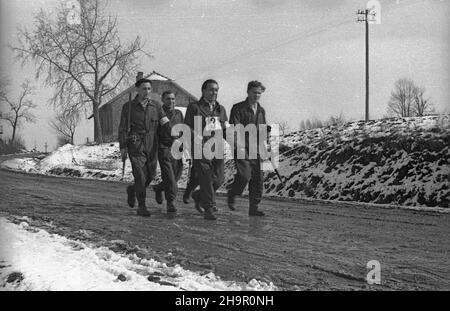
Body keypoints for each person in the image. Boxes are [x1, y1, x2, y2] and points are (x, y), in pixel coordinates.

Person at [118, 78, 169, 217]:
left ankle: (133, 189)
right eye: (143, 89)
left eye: (148, 89)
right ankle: (142, 206)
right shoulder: (128, 107)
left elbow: (165, 123)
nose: (146, 91)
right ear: (137, 90)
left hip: (152, 143)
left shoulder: (157, 106)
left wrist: (173, 135)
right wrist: (123, 146)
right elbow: (122, 128)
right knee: (140, 175)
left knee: (151, 175)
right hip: (135, 144)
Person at [184, 79, 228, 220]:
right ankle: (209, 207)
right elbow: (187, 127)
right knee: (207, 178)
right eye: (211, 90)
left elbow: (225, 128)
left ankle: (199, 195)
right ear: (203, 91)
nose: (214, 93)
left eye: (216, 90)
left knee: (219, 179)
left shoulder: (220, 109)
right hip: (200, 148)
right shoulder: (194, 107)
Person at [227, 80, 269, 216]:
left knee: (258, 178)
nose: (257, 95)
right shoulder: (238, 108)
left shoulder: (261, 110)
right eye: (254, 92)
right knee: (245, 175)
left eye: (259, 93)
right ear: (248, 92)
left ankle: (254, 207)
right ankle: (233, 193)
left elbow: (262, 128)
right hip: (241, 147)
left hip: (256, 148)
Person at [152, 91, 184, 214]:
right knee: (169, 176)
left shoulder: (179, 113)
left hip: (177, 147)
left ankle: (159, 188)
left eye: (173, 99)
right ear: (163, 100)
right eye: (168, 99)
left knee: (176, 175)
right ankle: (170, 202)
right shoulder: (159, 113)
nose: (171, 101)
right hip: (164, 147)